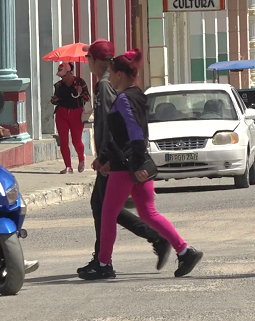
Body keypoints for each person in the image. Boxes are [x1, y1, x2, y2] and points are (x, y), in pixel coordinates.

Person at [78, 48, 203, 280]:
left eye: (112, 73)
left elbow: (133, 133)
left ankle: (104, 264)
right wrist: (106, 159)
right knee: (148, 213)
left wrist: (132, 164)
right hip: (136, 162)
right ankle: (185, 251)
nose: (110, 76)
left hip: (128, 165)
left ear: (119, 75)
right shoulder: (138, 95)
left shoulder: (124, 99)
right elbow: (124, 134)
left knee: (108, 213)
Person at [77, 39, 169, 277]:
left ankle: (104, 261)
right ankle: (106, 257)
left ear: (96, 61)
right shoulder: (104, 84)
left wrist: (107, 157)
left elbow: (115, 126)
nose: (87, 62)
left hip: (118, 158)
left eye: (88, 58)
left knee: (106, 209)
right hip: (114, 157)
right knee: (106, 208)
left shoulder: (108, 86)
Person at [51, 62, 90, 174]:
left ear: (69, 72)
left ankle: (81, 158)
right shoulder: (58, 85)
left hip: (76, 113)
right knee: (63, 140)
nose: (62, 77)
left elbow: (87, 98)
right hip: (62, 113)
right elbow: (55, 99)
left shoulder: (79, 82)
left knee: (76, 140)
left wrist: (81, 93)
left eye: (64, 75)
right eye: (61, 75)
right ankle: (68, 166)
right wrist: (54, 99)